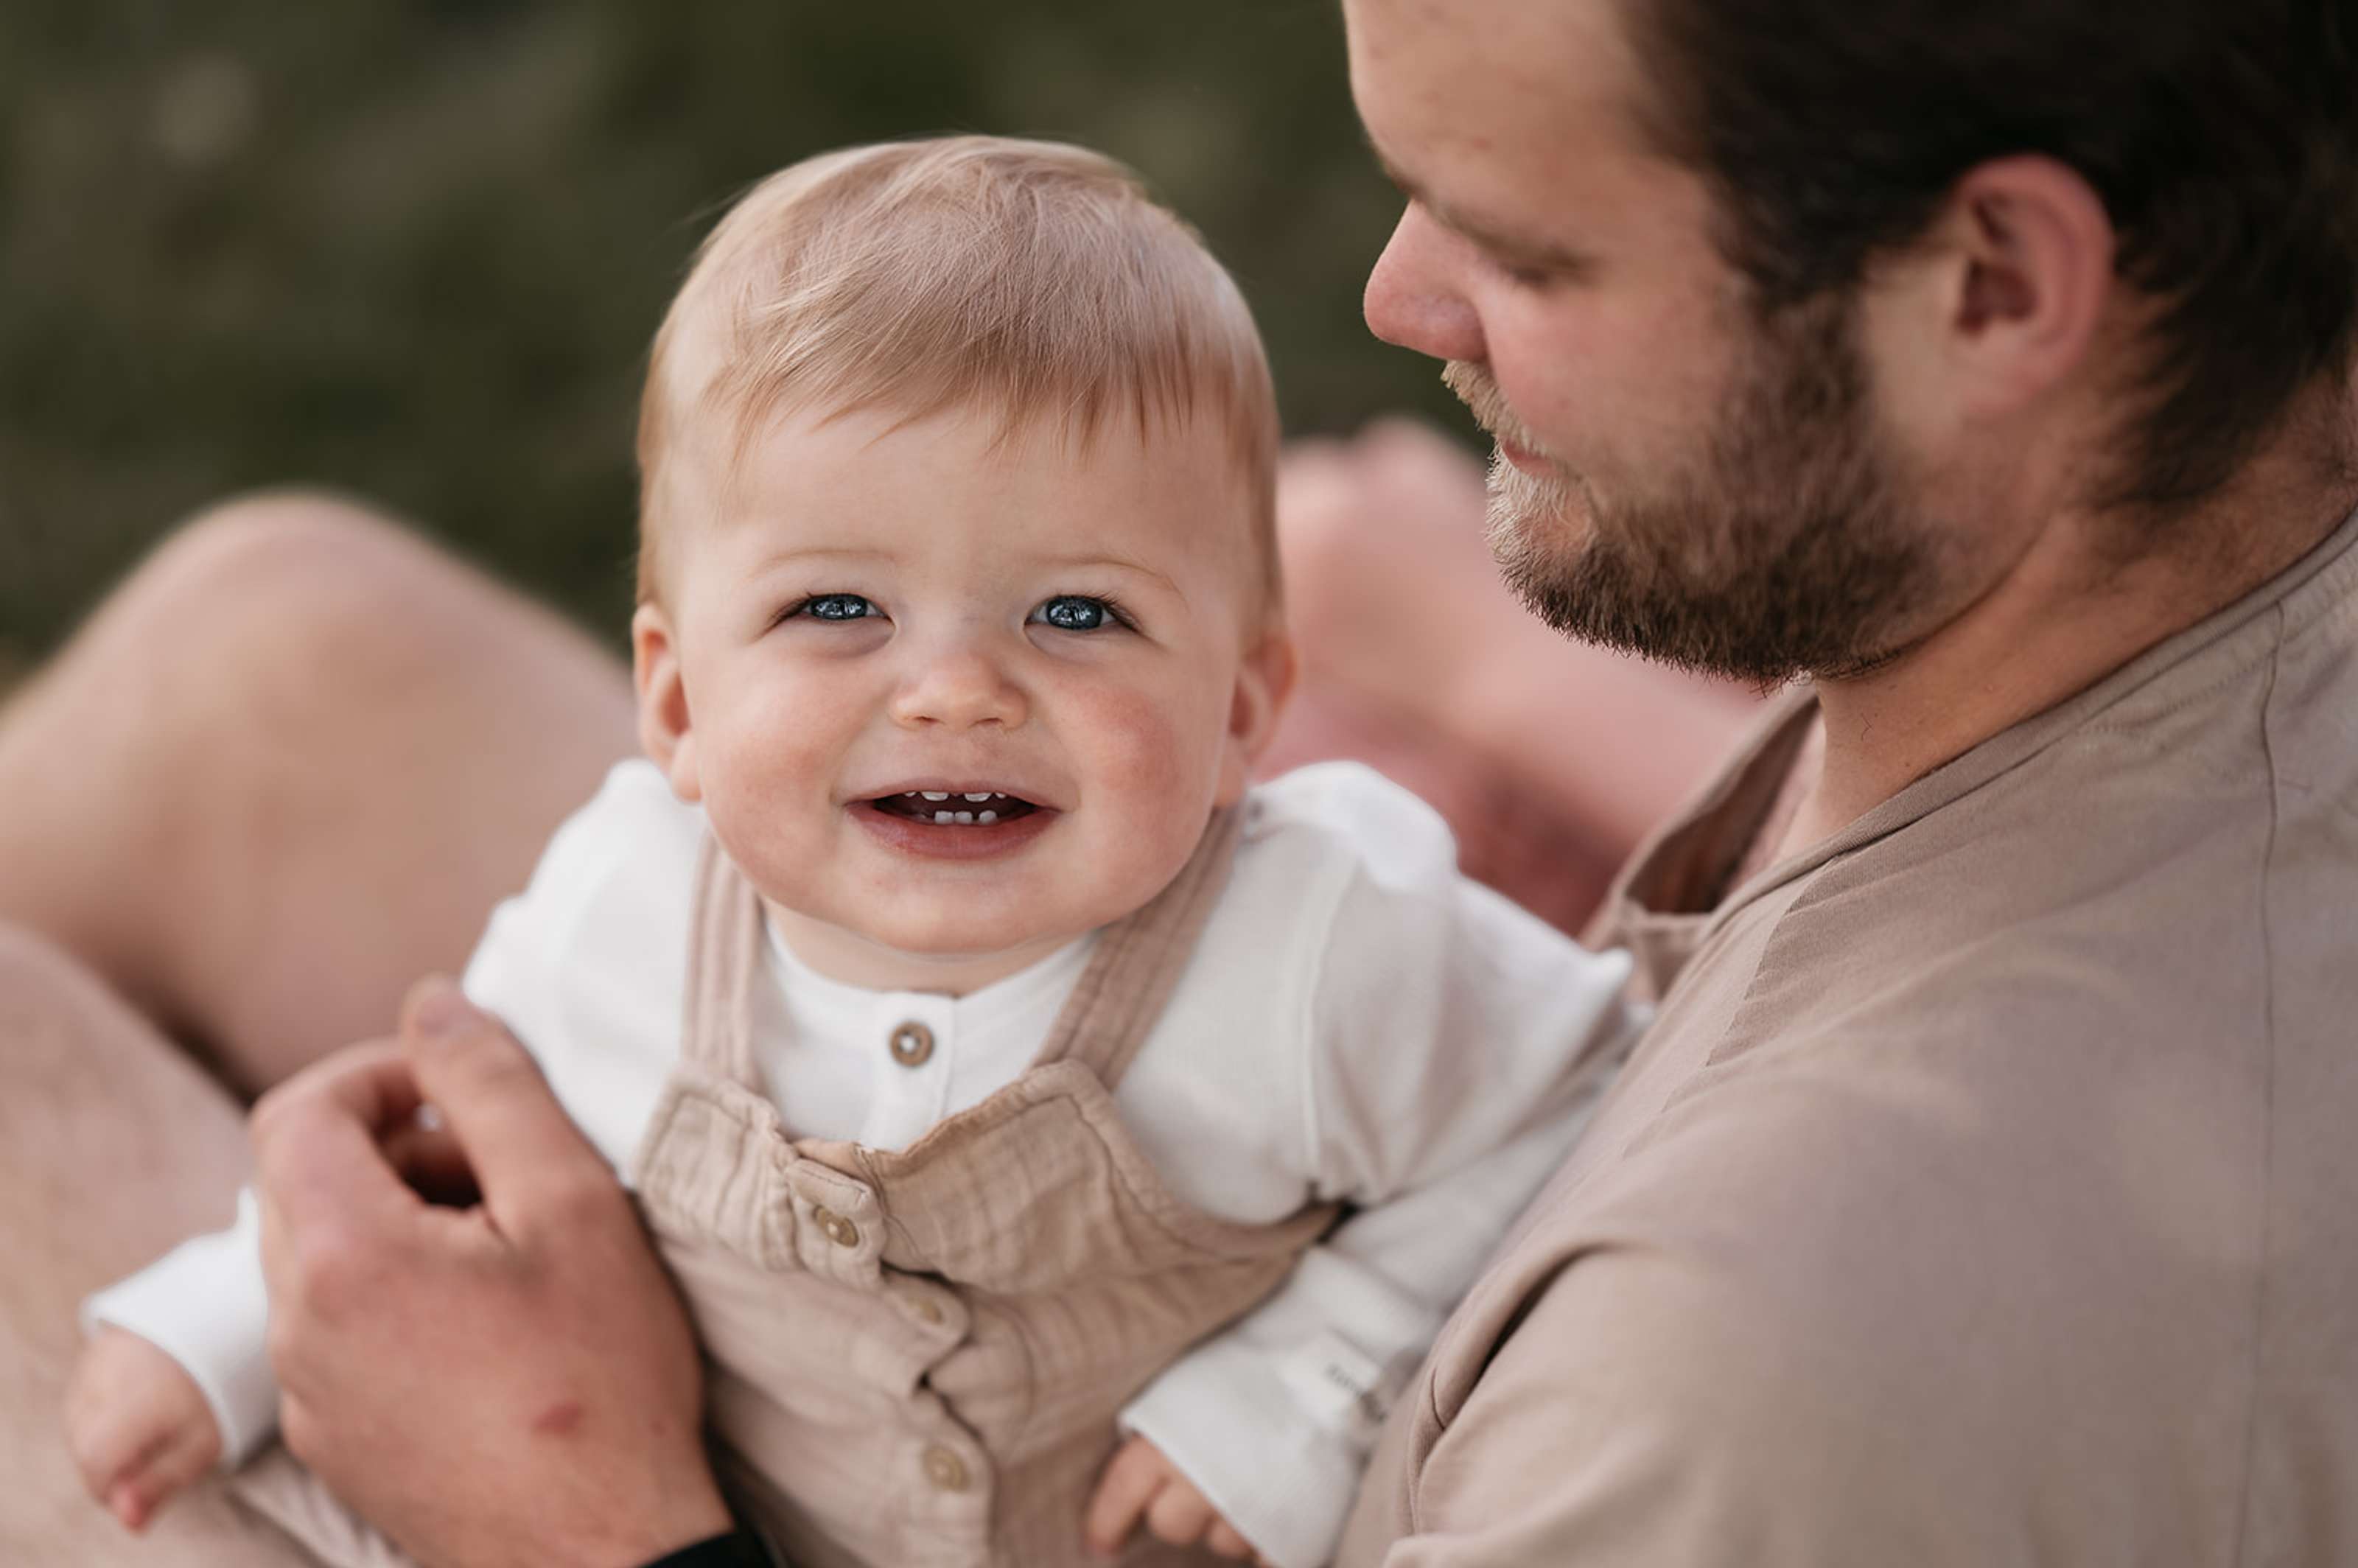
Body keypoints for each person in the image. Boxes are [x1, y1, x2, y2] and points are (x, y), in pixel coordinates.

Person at [8, 0, 2353, 1561]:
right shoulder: (2231, 535)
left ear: (1993, 284)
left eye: (1527, 242)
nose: (1399, 298)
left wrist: (570, 1509)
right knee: (279, 654)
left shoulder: (1757, 1387)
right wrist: (1509, 677)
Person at [56, 136, 1640, 1568]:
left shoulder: (1314, 947)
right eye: (836, 608)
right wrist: (224, 1322)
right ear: (675, 700)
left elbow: (1574, 1099)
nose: (954, 685)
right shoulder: (627, 904)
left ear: (1242, 708)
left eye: (1077, 613)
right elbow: (447, 1148)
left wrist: (1309, 1380)